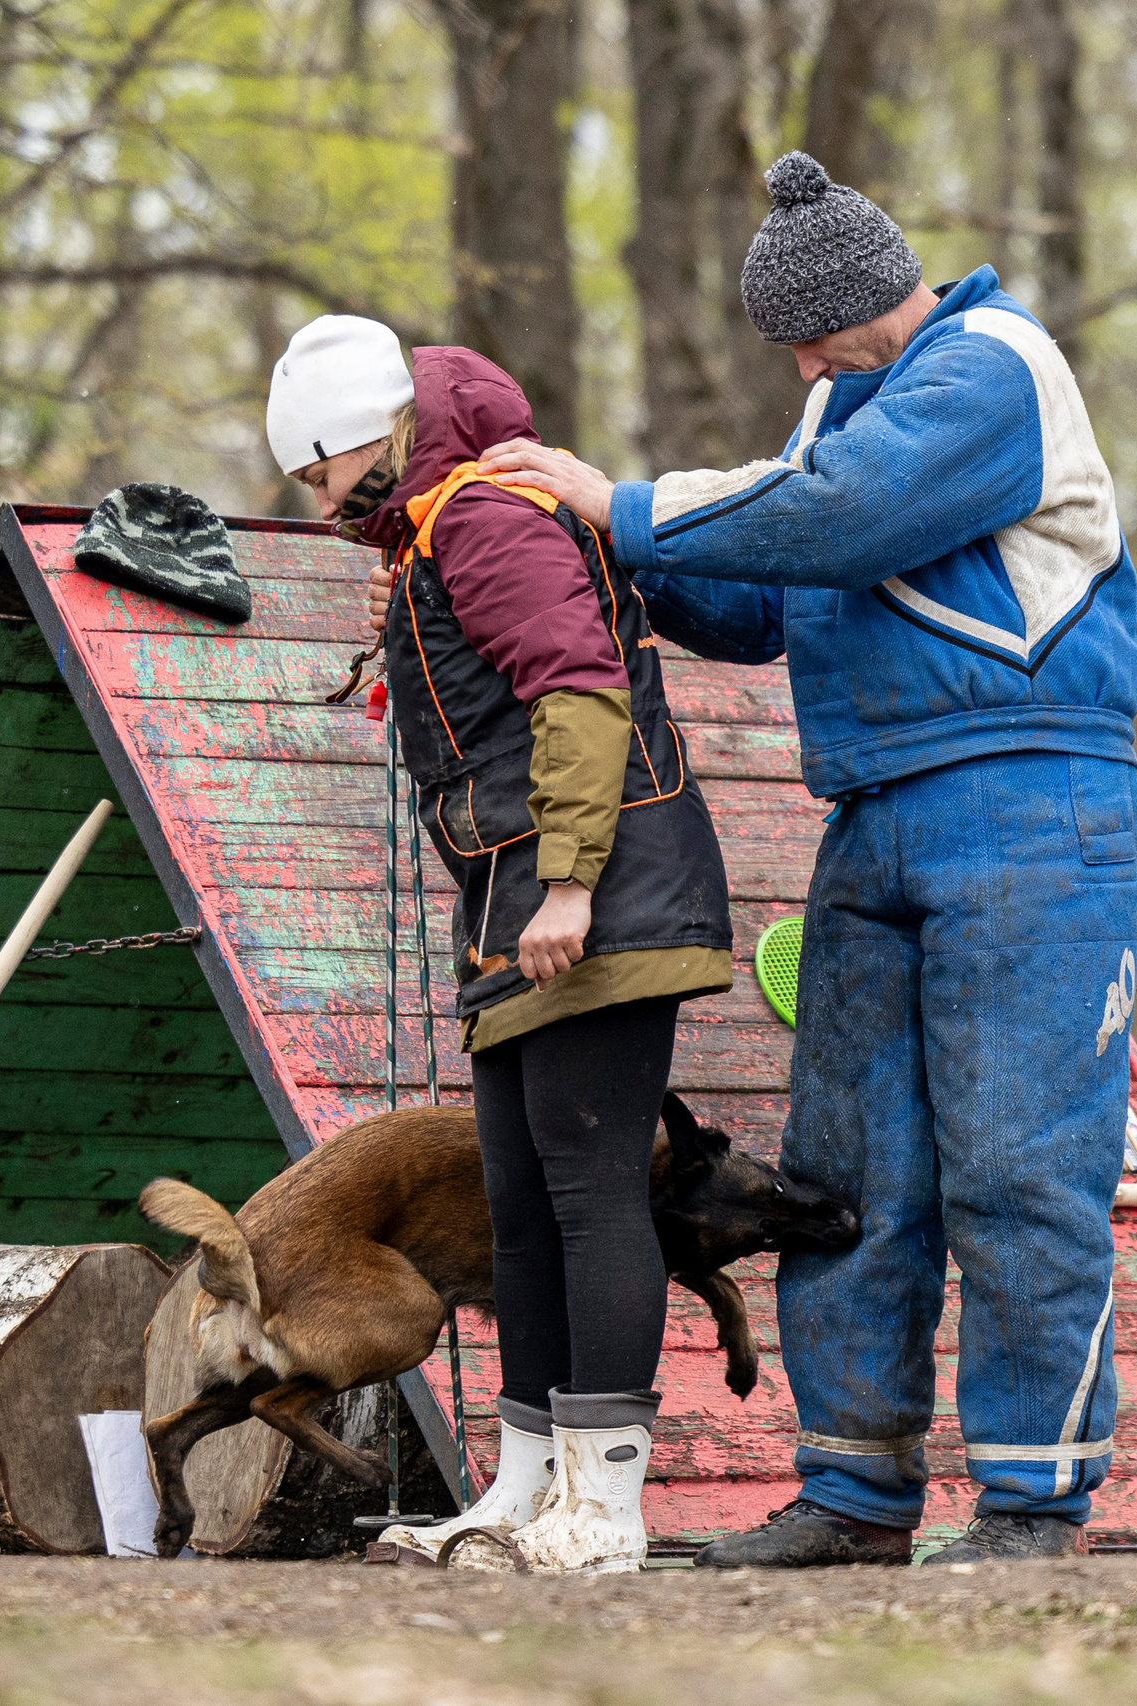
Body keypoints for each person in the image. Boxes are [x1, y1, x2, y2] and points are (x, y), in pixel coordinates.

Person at [447, 151, 1137, 1567]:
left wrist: (621, 498)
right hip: (873, 809)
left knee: (1019, 1165)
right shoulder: (851, 393)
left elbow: (839, 516)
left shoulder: (991, 367)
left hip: (1030, 806)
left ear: (879, 291)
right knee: (844, 1173)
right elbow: (772, 597)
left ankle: (1034, 1500)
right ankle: (853, 1489)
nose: (806, 363)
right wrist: (607, 558)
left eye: (814, 335)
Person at [265, 316, 734, 1573]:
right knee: (521, 1210)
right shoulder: (436, 535)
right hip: (511, 903)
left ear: (370, 438)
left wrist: (571, 883)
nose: (319, 503)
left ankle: (606, 1504)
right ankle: (524, 1491)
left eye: (319, 474)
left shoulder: (482, 520)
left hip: (597, 895)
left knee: (590, 1198)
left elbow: (578, 693)